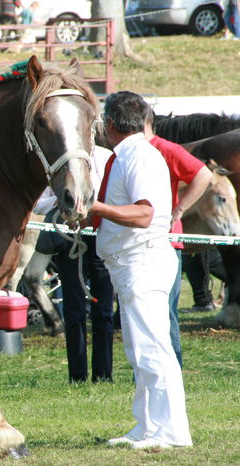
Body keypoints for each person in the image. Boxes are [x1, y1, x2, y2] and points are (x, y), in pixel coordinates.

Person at [91, 91, 192, 449]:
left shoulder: (140, 157)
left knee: (153, 349)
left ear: (111, 124)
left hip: (143, 259)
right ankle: (147, 426)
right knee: (139, 350)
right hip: (131, 263)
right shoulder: (128, 155)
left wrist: (97, 206)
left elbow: (144, 214)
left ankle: (171, 432)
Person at [34, 146, 115, 384]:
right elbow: (39, 204)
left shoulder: (105, 157)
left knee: (104, 310)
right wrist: (61, 202)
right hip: (70, 237)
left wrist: (93, 205)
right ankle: (77, 376)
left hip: (100, 234)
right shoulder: (59, 158)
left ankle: (103, 374)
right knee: (74, 309)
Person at [144, 108, 212, 368]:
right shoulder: (126, 153)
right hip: (139, 242)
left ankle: (172, 367)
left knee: (167, 311)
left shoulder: (165, 149)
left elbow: (203, 174)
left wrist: (179, 209)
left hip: (165, 241)